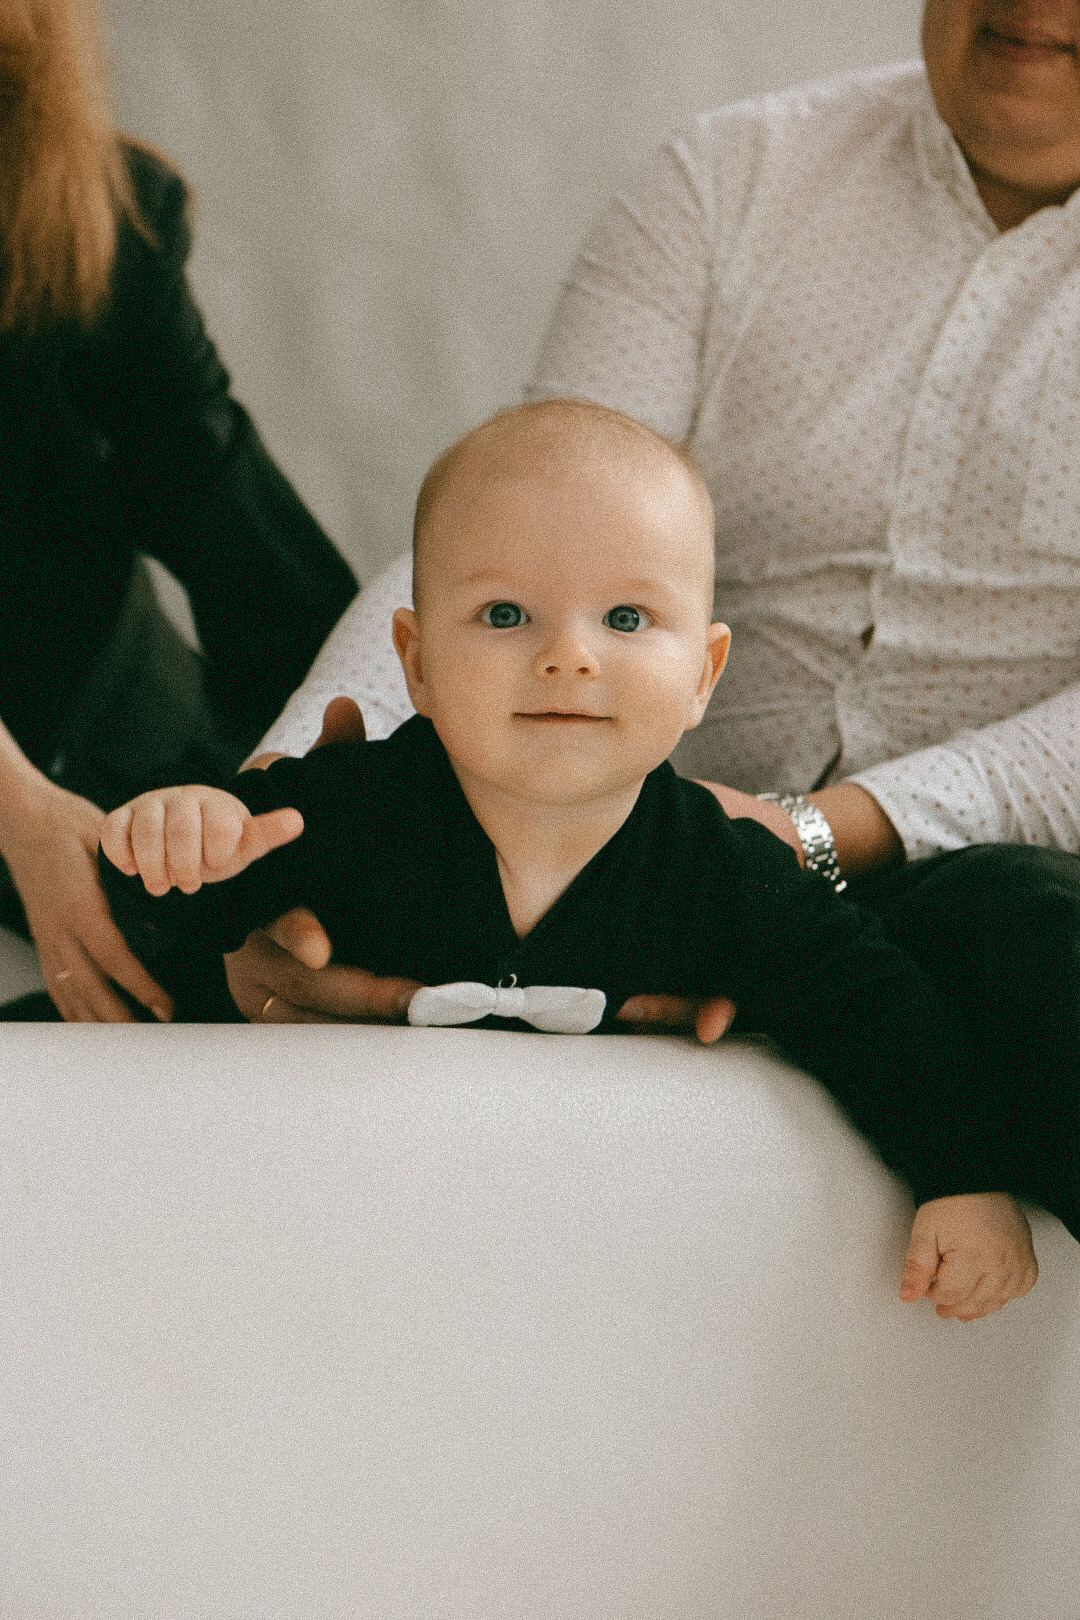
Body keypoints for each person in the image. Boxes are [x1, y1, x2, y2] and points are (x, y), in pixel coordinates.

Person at [221, 1, 1080, 1268]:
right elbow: (507, 536)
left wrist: (807, 838)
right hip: (610, 850)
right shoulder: (735, 178)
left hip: (938, 883)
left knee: (1041, 948)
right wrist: (271, 810)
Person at [98, 399, 1039, 1322]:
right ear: (416, 663)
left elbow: (873, 1006)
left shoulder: (723, 871)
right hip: (325, 1218)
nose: (568, 656)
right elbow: (195, 903)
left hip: (571, 1266)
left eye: (626, 619)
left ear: (703, 677)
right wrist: (177, 839)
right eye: (505, 613)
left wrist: (963, 1178)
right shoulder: (350, 809)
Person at [0, 0, 357, 1022]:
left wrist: (315, 818)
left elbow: (260, 567)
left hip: (112, 741)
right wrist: (16, 811)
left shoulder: (100, 215)